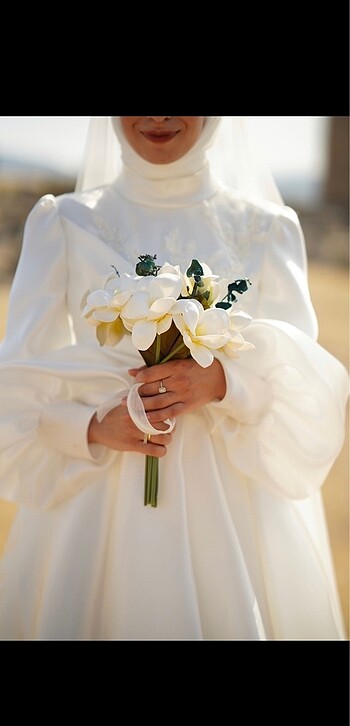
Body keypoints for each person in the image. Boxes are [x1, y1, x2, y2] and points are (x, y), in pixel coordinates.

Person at [0, 116, 348, 640]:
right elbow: (16, 387)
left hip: (235, 514)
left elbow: (302, 390)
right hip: (94, 508)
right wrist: (92, 427)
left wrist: (224, 383)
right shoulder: (62, 222)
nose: (158, 117)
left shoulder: (270, 228)